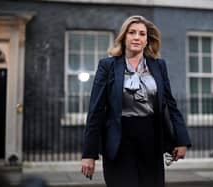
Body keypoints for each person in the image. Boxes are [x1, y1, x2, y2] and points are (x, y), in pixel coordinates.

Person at [81, 15, 191, 187]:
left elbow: (170, 104)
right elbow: (96, 110)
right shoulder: (107, 66)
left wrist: (181, 140)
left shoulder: (158, 65)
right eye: (132, 33)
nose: (137, 37)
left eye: (142, 34)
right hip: (118, 142)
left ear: (147, 40)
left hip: (151, 140)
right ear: (124, 37)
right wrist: (89, 154)